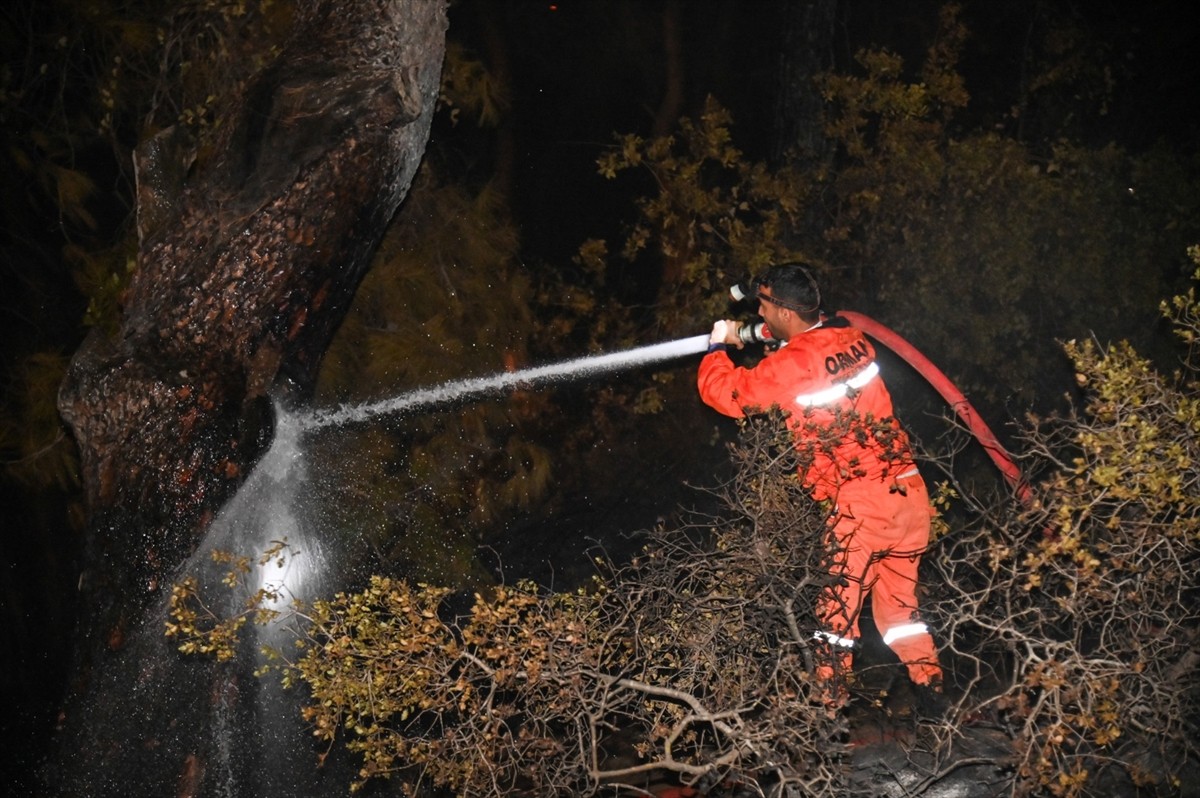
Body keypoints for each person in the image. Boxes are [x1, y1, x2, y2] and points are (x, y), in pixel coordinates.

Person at [697, 262, 945, 710]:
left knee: (836, 618)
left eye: (764, 305)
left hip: (861, 505)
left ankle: (824, 723)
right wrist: (756, 335)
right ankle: (933, 701)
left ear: (786, 313)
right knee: (900, 616)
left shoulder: (794, 363)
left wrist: (718, 348)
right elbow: (808, 347)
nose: (760, 311)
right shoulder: (851, 337)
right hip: (908, 492)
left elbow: (731, 395)